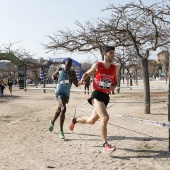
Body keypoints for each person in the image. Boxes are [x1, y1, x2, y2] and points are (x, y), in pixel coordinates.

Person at [69, 46, 118, 153]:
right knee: (105, 117)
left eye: (113, 54)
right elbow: (87, 73)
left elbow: (115, 82)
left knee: (91, 121)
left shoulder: (114, 68)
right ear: (105, 54)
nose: (113, 55)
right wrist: (82, 80)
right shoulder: (97, 65)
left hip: (105, 97)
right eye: (111, 53)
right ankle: (105, 144)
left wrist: (113, 86)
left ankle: (74, 120)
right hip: (96, 95)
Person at [49, 58, 78, 139]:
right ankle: (61, 131)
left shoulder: (72, 72)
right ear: (65, 63)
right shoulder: (60, 70)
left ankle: (52, 122)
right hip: (59, 92)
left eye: (70, 64)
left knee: (59, 110)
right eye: (67, 64)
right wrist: (54, 77)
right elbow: (53, 77)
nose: (69, 65)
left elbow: (76, 84)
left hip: (66, 94)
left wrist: (71, 76)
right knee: (63, 108)